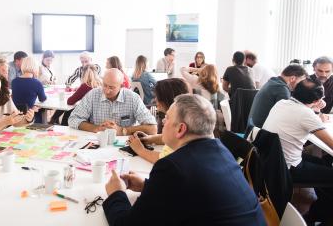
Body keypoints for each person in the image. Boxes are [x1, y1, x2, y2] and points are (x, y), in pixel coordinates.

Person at [103, 94, 266, 226]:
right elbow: (196, 195)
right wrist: (147, 186)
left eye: (166, 118)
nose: (163, 122)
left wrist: (116, 193)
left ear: (181, 129)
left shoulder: (172, 166)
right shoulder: (222, 152)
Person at [262, 78, 333, 224]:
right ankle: (317, 216)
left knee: (324, 163)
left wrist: (316, 108)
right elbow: (330, 143)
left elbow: (305, 114)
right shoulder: (305, 114)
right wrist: (316, 109)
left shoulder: (282, 103)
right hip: (288, 168)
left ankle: (322, 204)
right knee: (327, 169)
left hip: (272, 160)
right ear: (316, 99)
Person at [68, 69, 157, 136]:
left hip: (124, 145)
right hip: (97, 142)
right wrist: (96, 128)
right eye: (105, 85)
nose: (106, 91)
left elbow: (153, 129)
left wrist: (123, 130)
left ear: (121, 86)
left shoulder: (133, 98)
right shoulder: (93, 95)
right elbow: (73, 119)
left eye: (111, 87)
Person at [128, 78, 189, 164]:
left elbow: (164, 160)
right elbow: (170, 137)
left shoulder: (178, 122)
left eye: (157, 96)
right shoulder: (184, 115)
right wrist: (148, 139)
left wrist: (140, 149)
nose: (154, 100)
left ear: (166, 98)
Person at [248, 64, 308, 129]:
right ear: (292, 78)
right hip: (259, 134)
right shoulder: (282, 90)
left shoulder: (273, 82)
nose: (301, 85)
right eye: (301, 82)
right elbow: (288, 117)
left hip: (252, 129)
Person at [11, 56, 46, 123]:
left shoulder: (14, 81)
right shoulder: (37, 83)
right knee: (40, 111)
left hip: (16, 116)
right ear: (35, 67)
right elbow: (42, 99)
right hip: (30, 116)